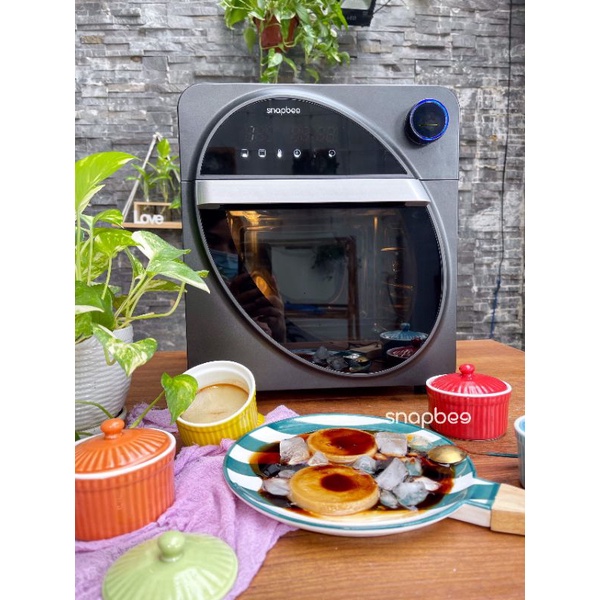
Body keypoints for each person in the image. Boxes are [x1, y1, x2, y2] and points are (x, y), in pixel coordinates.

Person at [201, 209, 286, 342]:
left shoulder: (258, 288)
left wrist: (279, 331)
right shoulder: (187, 293)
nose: (225, 252)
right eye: (212, 241)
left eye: (235, 245)